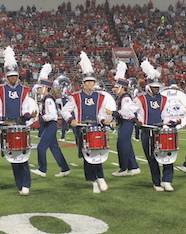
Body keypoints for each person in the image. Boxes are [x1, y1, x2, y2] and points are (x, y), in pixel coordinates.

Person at [0, 47, 36, 195]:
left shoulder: (24, 90)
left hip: (20, 124)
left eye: (15, 76)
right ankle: (20, 184)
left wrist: (29, 116)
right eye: (10, 76)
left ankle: (26, 184)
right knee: (12, 156)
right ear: (6, 76)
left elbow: (25, 108)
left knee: (23, 155)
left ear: (18, 76)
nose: (12, 79)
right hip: (6, 124)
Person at [61, 52, 116, 194]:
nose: (90, 84)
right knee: (87, 156)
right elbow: (65, 111)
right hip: (81, 129)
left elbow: (101, 114)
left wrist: (105, 120)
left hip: (96, 128)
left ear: (94, 83)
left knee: (97, 154)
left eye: (92, 81)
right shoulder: (75, 96)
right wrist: (70, 120)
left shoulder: (101, 97)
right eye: (87, 82)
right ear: (83, 83)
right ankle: (93, 181)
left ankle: (101, 177)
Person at [133, 60, 179, 191]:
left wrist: (173, 122)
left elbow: (167, 115)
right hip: (147, 131)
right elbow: (127, 111)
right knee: (152, 158)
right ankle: (157, 182)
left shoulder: (164, 99)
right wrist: (135, 120)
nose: (156, 89)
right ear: (148, 86)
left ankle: (167, 180)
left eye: (158, 87)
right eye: (154, 86)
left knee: (167, 155)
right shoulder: (140, 98)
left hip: (161, 131)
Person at [30, 64, 71, 178]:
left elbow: (52, 115)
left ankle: (42, 169)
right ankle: (65, 168)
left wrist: (41, 118)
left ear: (46, 87)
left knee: (41, 147)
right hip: (49, 125)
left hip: (51, 124)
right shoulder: (45, 99)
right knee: (54, 148)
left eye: (40, 87)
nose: (38, 90)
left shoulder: (48, 99)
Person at [109, 61, 141, 177]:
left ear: (122, 87)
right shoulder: (122, 97)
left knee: (122, 144)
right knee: (126, 144)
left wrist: (113, 113)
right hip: (125, 122)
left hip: (127, 122)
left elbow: (126, 112)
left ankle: (124, 168)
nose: (114, 89)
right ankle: (133, 167)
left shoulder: (125, 97)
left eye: (117, 87)